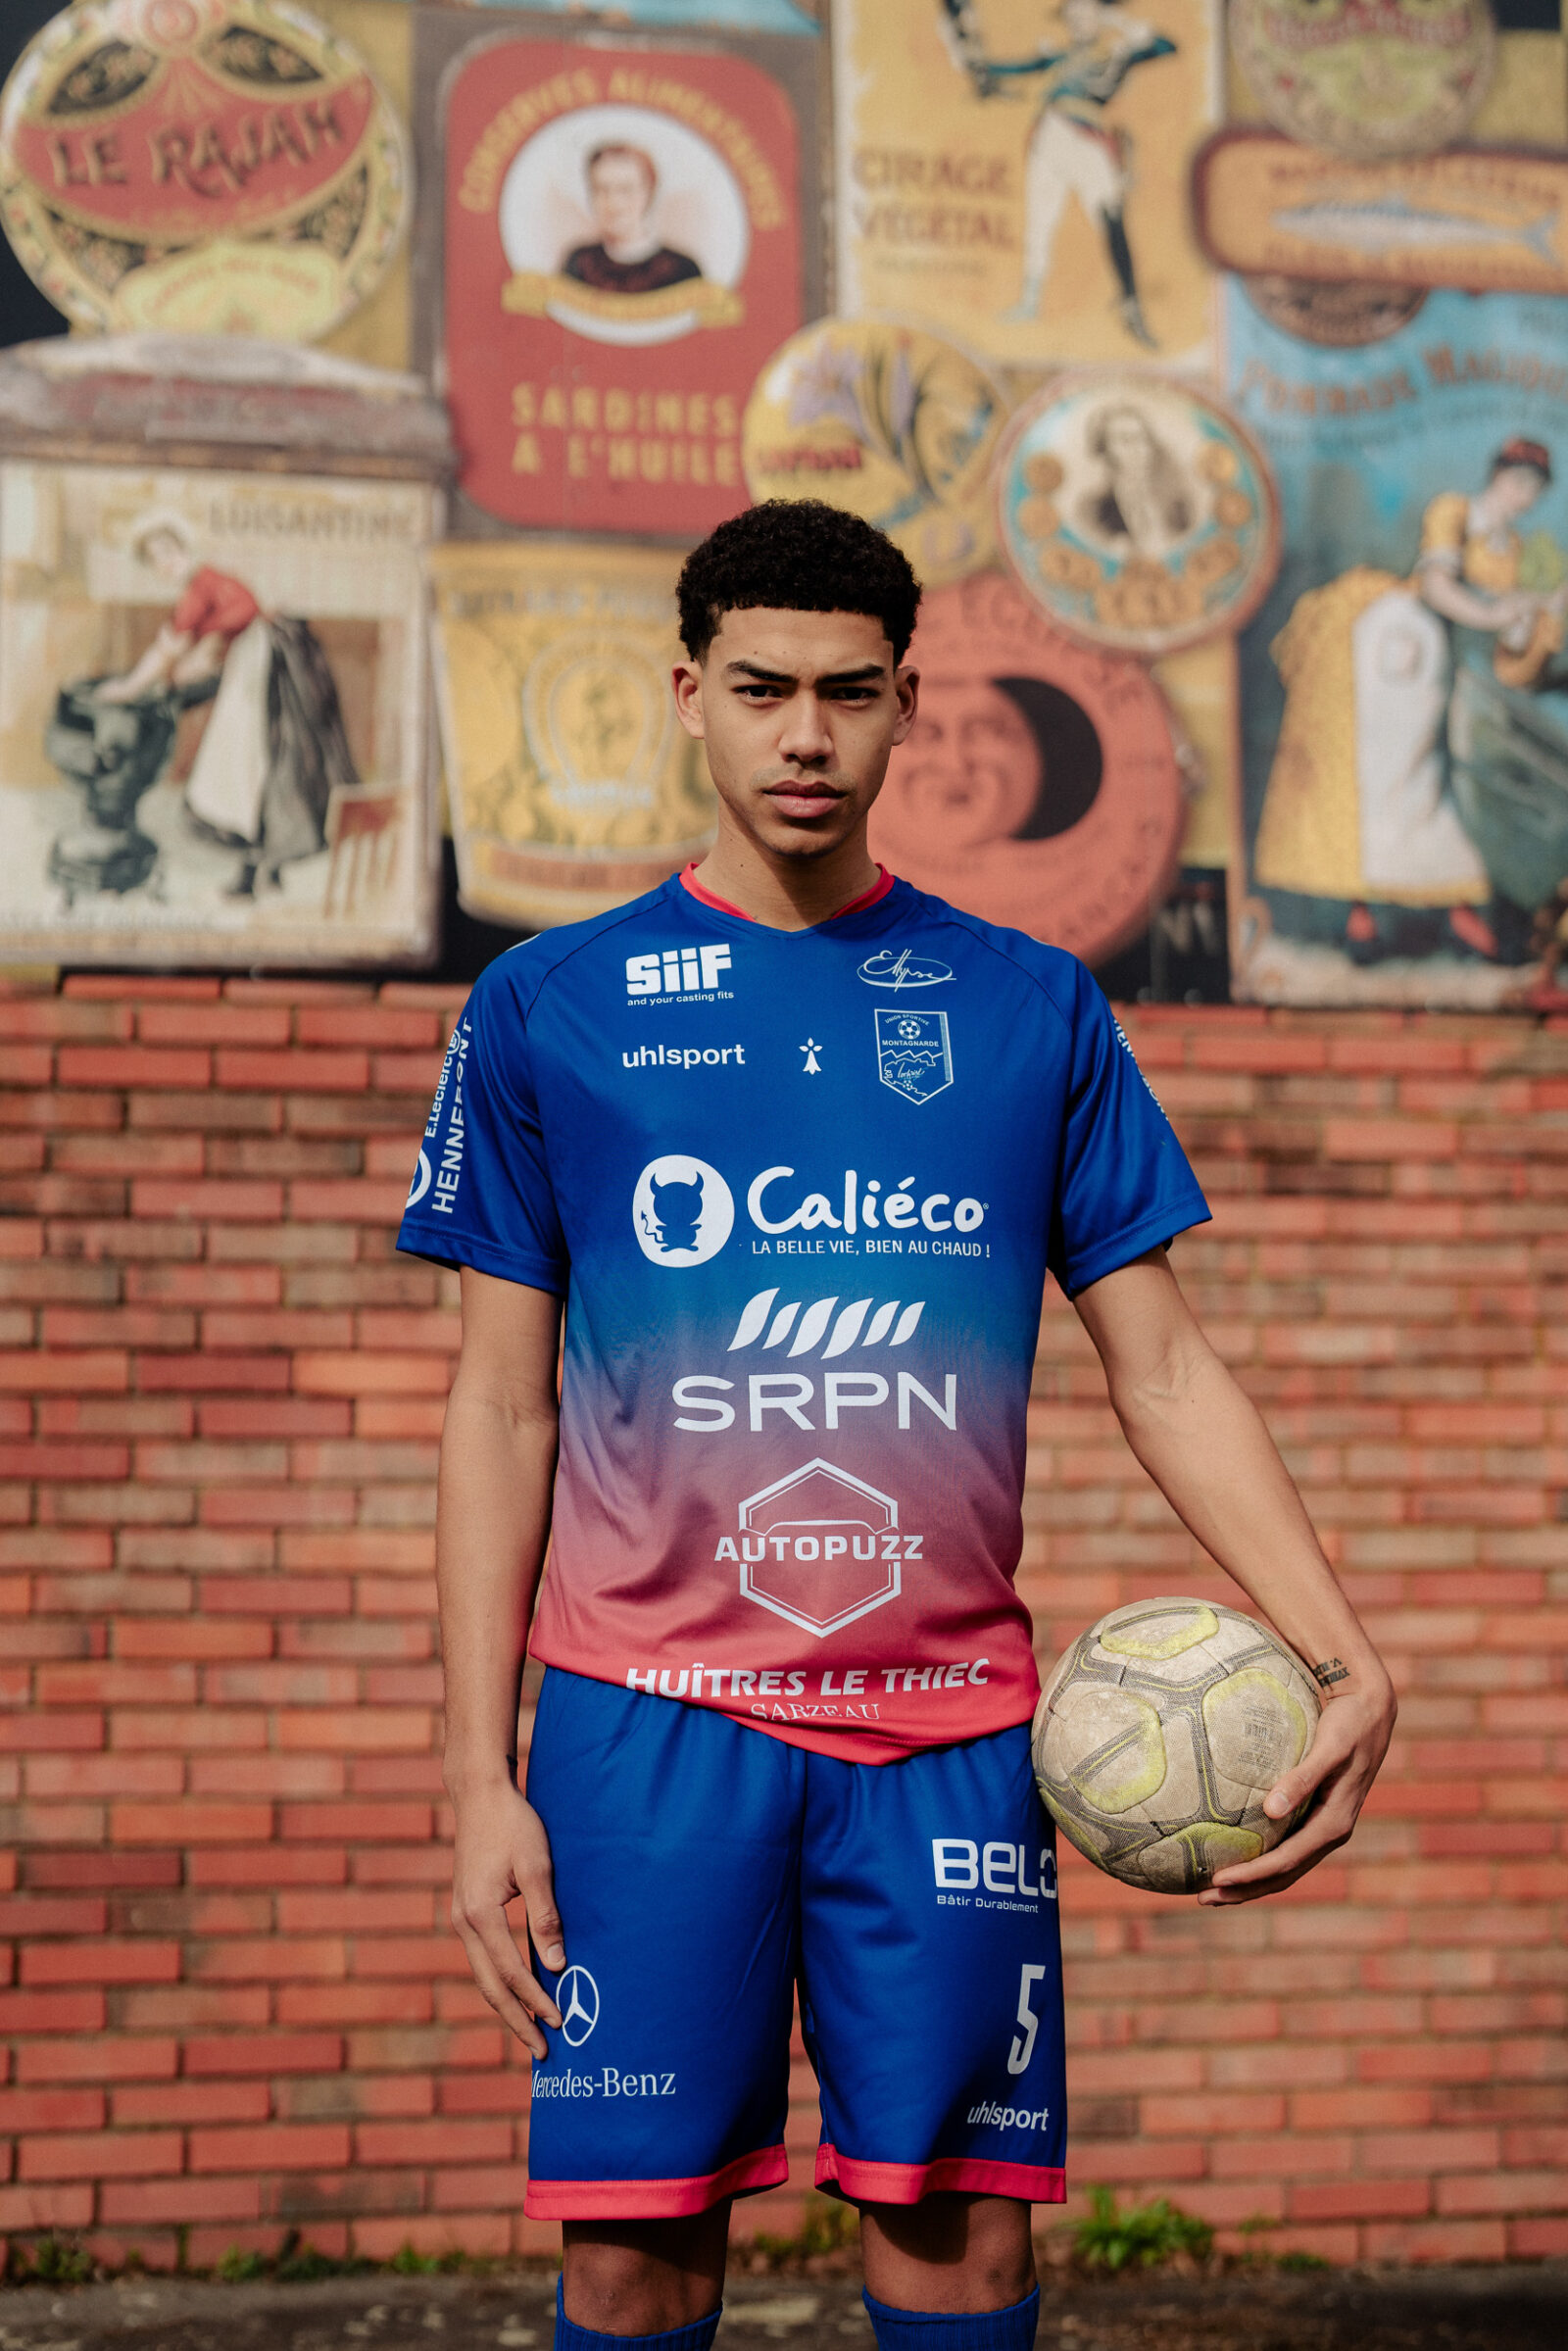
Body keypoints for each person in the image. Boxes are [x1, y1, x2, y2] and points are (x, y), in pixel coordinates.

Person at [399, 501, 1396, 2351]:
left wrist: (1346, 1651)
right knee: (629, 2255)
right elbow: (500, 1401)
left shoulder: (1030, 1006)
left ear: (907, 706)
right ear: (687, 694)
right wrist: (478, 1772)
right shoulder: (549, 1005)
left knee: (962, 2244)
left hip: (947, 1737)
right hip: (643, 1724)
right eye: (761, 687)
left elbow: (1166, 1367)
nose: (804, 734)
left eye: (849, 693)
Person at [1254, 438, 1567, 963]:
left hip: (1437, 657)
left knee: (1421, 774)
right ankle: (1365, 910)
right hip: (1395, 639)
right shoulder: (1454, 512)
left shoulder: (1511, 548)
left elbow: (1507, 643)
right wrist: (1497, 613)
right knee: (1377, 769)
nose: (1524, 497)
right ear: (1497, 476)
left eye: (1534, 490)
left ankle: (1453, 904)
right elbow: (1437, 587)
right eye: (1518, 483)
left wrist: (1535, 614)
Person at [95, 511, 359, 901]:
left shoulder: (201, 587)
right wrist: (190, 665)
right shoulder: (204, 586)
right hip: (267, 668)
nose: (165, 563)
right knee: (263, 769)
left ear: (183, 548)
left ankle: (256, 873)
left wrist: (129, 687)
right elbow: (203, 644)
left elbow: (172, 648)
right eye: (154, 559)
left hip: (267, 674)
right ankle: (266, 870)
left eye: (168, 551)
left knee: (244, 771)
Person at [943, 0, 1175, 348]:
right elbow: (1006, 69)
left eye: (1086, 10)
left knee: (1111, 216)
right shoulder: (1059, 58)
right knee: (1040, 221)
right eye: (1073, 12)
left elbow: (1165, 46)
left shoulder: (1115, 54)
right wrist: (973, 59)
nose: (1078, 18)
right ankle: (1030, 301)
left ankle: (1130, 305)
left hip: (1087, 139)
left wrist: (1118, 20)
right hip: (1049, 136)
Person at [562, 142, 703, 295]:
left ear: (648, 192)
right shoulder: (580, 263)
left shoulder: (681, 270)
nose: (614, 203)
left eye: (625, 190)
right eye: (602, 190)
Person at [1078, 403, 1193, 556]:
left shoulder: (1176, 504)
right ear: (1105, 450)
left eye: (1142, 439)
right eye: (1126, 440)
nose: (1138, 449)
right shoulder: (1093, 510)